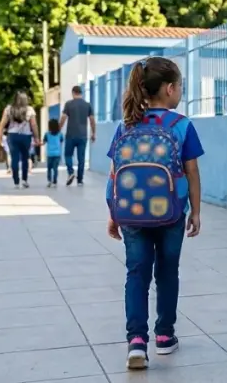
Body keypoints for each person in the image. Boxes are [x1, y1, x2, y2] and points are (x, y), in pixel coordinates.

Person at [105, 57, 203, 370]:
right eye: (180, 88)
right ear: (170, 89)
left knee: (136, 273)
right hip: (172, 212)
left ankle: (136, 341)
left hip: (132, 212)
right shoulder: (182, 125)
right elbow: (192, 172)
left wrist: (112, 211)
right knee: (167, 271)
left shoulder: (126, 125)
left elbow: (114, 172)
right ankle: (164, 336)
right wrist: (196, 212)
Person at [0, 92, 41, 189]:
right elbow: (33, 125)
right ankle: (24, 180)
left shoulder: (9, 109)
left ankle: (16, 181)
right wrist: (36, 137)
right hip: (26, 137)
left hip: (12, 137)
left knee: (14, 158)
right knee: (25, 157)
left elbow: (2, 123)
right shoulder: (30, 110)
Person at [60, 85, 96, 186]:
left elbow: (63, 118)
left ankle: (71, 172)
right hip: (82, 135)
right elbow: (92, 120)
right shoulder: (87, 105)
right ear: (81, 93)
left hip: (70, 135)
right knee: (81, 158)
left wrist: (58, 130)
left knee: (67, 155)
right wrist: (93, 133)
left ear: (73, 93)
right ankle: (80, 180)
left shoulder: (68, 104)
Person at [43, 119, 63, 187]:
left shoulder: (47, 134)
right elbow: (61, 141)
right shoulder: (60, 134)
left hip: (50, 154)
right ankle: (55, 181)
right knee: (55, 169)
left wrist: (37, 143)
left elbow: (43, 142)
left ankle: (49, 181)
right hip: (57, 154)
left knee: (49, 168)